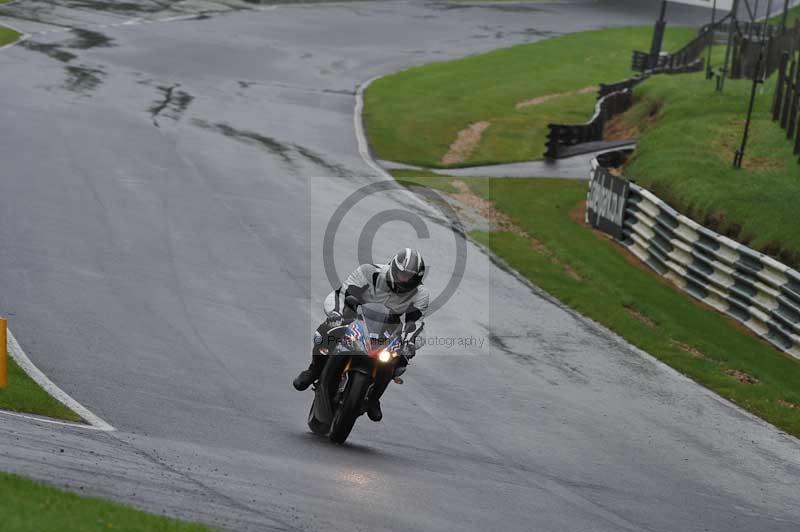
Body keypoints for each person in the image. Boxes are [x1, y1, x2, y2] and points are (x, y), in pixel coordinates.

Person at [293, 248, 429, 422]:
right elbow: (341, 294)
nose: (405, 280)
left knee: (399, 358)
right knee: (328, 330)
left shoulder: (420, 293)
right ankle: (314, 370)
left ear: (417, 278)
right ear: (394, 268)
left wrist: (409, 344)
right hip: (355, 315)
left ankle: (373, 398)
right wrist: (336, 313)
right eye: (402, 274)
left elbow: (416, 323)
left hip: (388, 328)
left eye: (410, 277)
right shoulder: (369, 272)